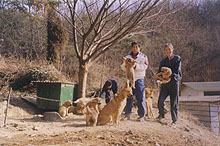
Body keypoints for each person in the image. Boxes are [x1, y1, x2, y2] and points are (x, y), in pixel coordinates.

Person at [121, 41, 148, 122]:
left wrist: (135, 66)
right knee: (128, 96)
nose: (135, 48)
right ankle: (127, 114)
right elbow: (122, 66)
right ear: (131, 48)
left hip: (139, 79)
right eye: (133, 47)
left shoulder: (143, 56)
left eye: (136, 47)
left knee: (140, 97)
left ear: (139, 48)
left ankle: (141, 115)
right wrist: (126, 65)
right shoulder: (127, 56)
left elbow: (145, 66)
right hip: (129, 79)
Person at [156, 43, 182, 125]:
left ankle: (174, 120)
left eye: (169, 49)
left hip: (174, 83)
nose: (168, 51)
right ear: (164, 51)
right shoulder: (163, 61)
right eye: (166, 50)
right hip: (165, 84)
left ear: (172, 49)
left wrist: (168, 74)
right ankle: (161, 114)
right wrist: (159, 77)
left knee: (173, 103)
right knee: (160, 101)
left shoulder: (177, 58)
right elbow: (159, 72)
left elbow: (177, 71)